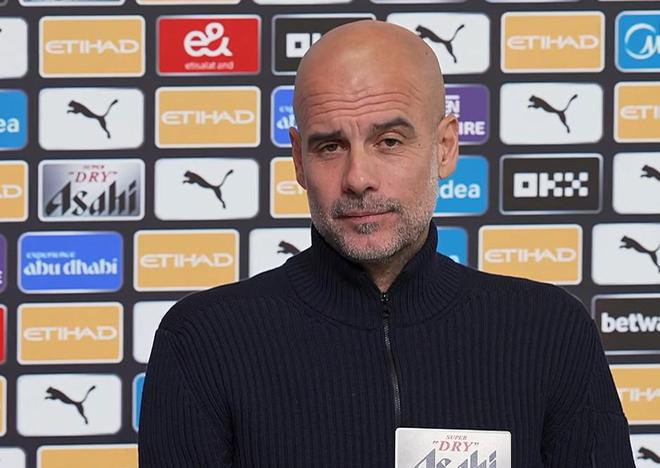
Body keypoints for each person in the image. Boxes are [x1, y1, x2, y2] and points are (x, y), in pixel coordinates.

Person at [138, 20, 635, 467]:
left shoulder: (550, 331)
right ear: (299, 161)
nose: (358, 178)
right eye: (330, 146)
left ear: (445, 147)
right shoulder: (202, 341)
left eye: (389, 141)